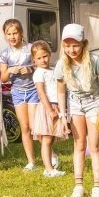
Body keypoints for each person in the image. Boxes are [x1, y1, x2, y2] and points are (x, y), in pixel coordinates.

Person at [56, 24, 99, 197]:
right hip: (74, 105)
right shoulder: (62, 64)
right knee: (79, 145)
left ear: (83, 44)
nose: (71, 50)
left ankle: (97, 186)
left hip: (94, 103)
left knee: (94, 146)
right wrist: (63, 115)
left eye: (75, 45)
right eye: (67, 46)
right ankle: (78, 185)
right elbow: (60, 90)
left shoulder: (94, 60)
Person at [0, 19, 39, 172]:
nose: (12, 36)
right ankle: (31, 162)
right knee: (25, 127)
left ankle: (51, 154)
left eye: (15, 33)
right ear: (5, 35)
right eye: (9, 34)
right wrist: (9, 71)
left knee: (36, 126)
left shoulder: (31, 48)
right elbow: (2, 78)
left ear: (21, 33)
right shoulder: (5, 53)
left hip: (33, 90)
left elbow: (42, 66)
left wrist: (30, 69)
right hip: (17, 93)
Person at [30, 40, 67, 178]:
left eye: (45, 56)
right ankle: (48, 169)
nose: (43, 60)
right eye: (39, 58)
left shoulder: (52, 70)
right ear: (34, 60)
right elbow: (41, 93)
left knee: (50, 139)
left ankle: (50, 165)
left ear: (49, 55)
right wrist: (50, 110)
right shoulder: (39, 73)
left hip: (56, 105)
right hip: (47, 106)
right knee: (46, 139)